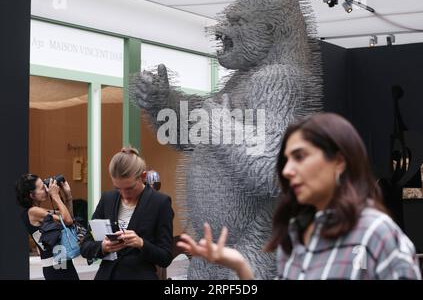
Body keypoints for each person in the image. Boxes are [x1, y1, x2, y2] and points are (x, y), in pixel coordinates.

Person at [177, 113, 422, 280]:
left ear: (339, 160)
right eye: (286, 160)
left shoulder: (375, 232)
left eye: (300, 157)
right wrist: (239, 264)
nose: (286, 170)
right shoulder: (296, 233)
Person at [80, 147, 174, 279]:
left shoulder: (160, 202)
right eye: (118, 188)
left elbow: (166, 257)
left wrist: (141, 243)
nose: (124, 194)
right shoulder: (108, 199)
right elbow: (85, 246)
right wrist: (103, 247)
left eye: (129, 188)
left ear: (143, 176)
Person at [16, 173, 79, 280]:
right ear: (32, 195)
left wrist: (67, 195)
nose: (46, 189)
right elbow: (67, 220)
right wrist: (55, 196)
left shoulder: (40, 212)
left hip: (62, 263)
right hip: (56, 267)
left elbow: (69, 218)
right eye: (42, 188)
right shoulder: (33, 212)